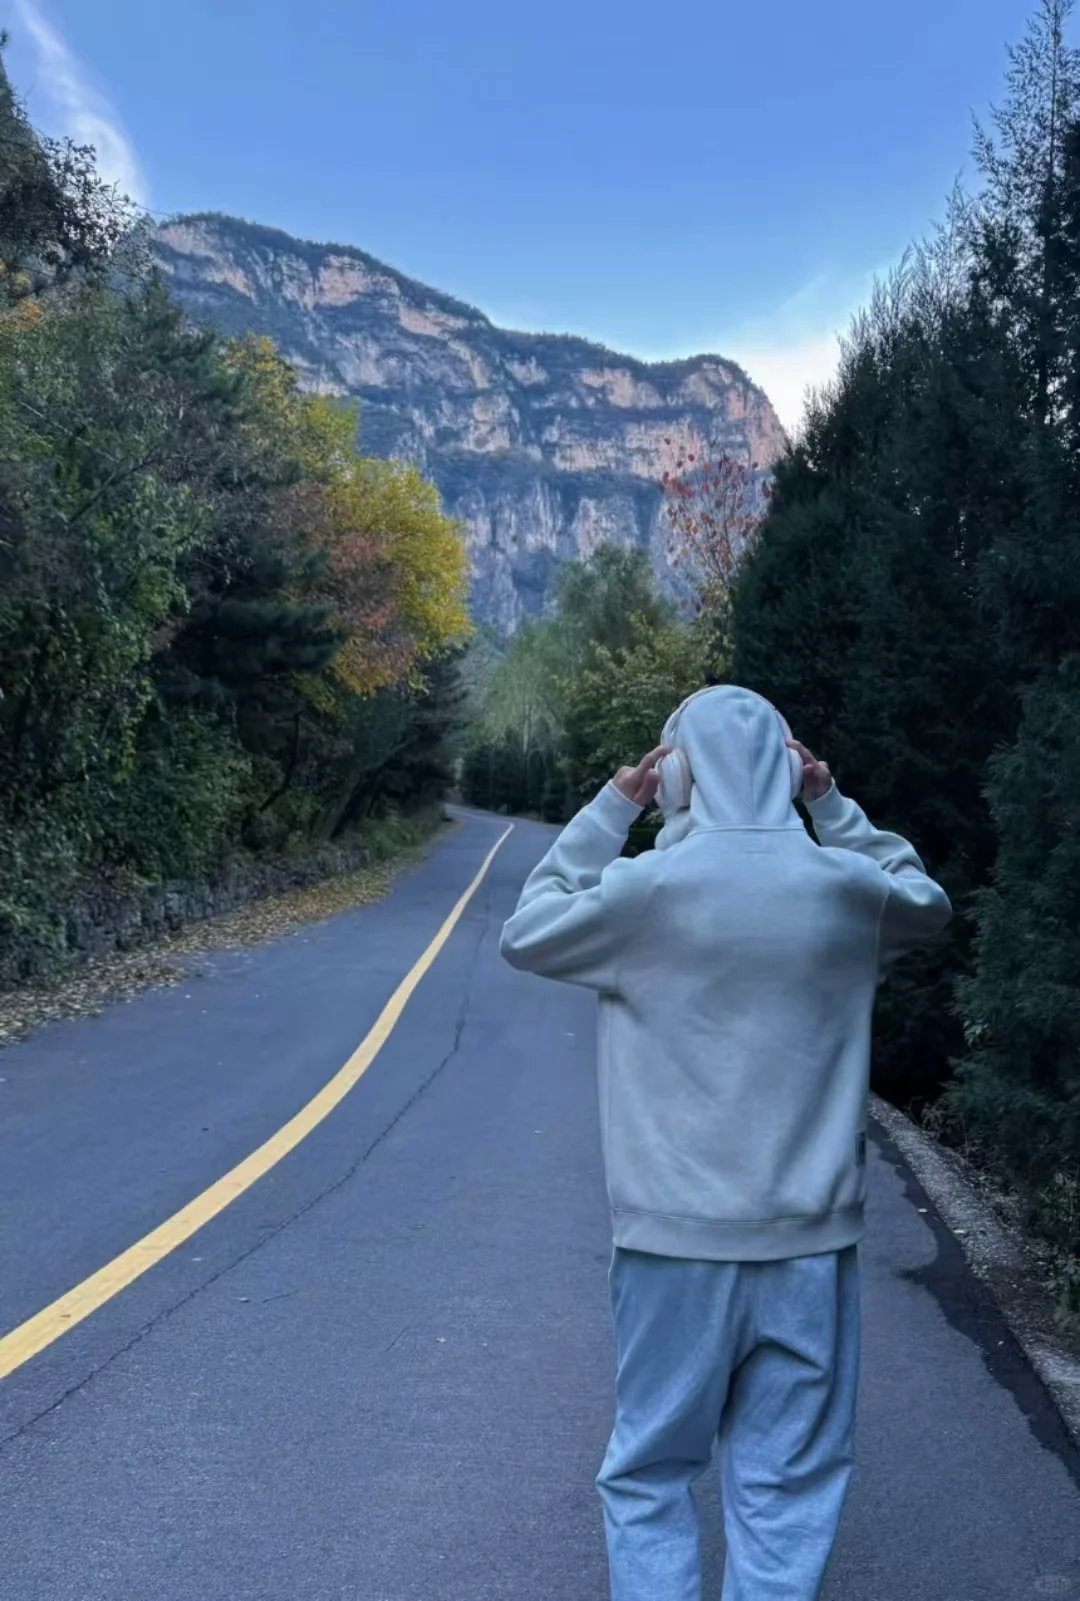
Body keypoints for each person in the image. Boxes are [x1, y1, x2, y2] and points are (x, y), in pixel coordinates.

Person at [499, 684, 952, 1601]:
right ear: (782, 770)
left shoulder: (645, 893)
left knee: (650, 1472)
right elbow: (926, 899)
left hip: (671, 1246)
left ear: (679, 780)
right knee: (788, 1483)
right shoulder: (846, 893)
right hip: (809, 1250)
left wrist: (610, 807)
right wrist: (827, 801)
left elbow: (529, 926)